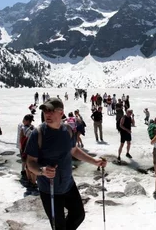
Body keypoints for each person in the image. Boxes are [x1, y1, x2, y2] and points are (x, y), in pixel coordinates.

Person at [25, 97, 107, 230]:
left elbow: (74, 150)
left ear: (61, 112)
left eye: (51, 110)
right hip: (49, 188)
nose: (47, 114)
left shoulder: (67, 130)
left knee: (78, 215)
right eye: (45, 111)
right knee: (58, 226)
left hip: (68, 184)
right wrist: (42, 171)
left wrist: (94, 161)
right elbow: (30, 163)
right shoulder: (38, 134)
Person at [19, 114, 36, 189]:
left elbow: (21, 139)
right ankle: (33, 181)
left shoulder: (24, 128)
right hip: (30, 149)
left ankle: (30, 181)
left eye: (24, 120)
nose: (23, 121)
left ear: (28, 121)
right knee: (32, 166)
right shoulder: (32, 128)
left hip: (25, 149)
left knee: (27, 166)